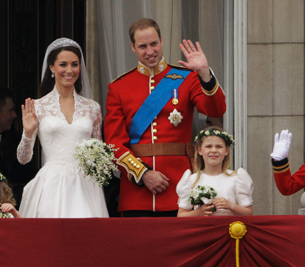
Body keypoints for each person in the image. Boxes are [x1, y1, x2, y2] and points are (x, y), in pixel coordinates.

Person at [105, 18, 227, 217]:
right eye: (143, 46)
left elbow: (216, 109)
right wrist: (142, 174)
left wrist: (204, 72)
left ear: (161, 41)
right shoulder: (119, 87)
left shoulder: (187, 78)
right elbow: (114, 143)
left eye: (153, 44)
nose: (150, 51)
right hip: (137, 193)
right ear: (133, 47)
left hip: (180, 185)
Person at [16, 37, 108, 218]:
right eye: (63, 64)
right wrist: (27, 132)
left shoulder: (93, 108)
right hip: (51, 183)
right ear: (51, 67)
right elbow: (23, 159)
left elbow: (99, 155)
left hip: (85, 186)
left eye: (75, 64)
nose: (69, 70)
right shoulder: (38, 106)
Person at [176, 128, 253, 217]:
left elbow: (249, 213)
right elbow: (181, 215)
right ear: (200, 150)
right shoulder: (192, 180)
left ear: (226, 151)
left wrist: (230, 205)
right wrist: (197, 213)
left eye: (219, 146)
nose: (213, 150)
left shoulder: (236, 178)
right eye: (208, 146)